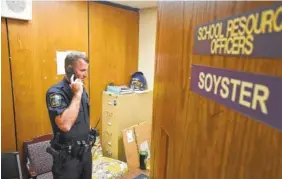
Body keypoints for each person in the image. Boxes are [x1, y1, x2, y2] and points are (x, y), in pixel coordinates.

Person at [45, 51, 93, 179]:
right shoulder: (55, 93)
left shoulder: (82, 89)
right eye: (82, 70)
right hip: (67, 159)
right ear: (70, 69)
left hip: (85, 155)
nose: (86, 75)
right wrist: (77, 95)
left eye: (86, 70)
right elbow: (65, 125)